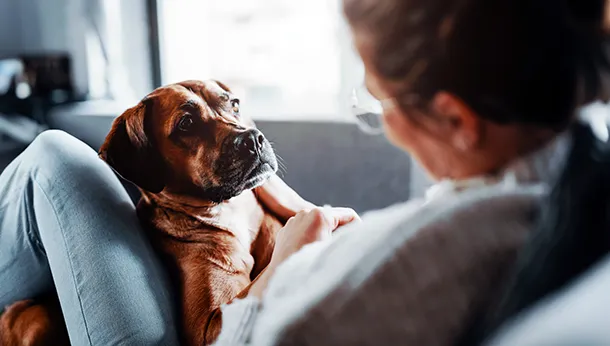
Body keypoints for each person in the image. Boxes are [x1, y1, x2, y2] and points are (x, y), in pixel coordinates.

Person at [1, 0, 609, 344]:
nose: (384, 122)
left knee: (51, 157)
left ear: (458, 119)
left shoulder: (464, 242)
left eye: (379, 105)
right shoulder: (550, 184)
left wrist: (289, 254)